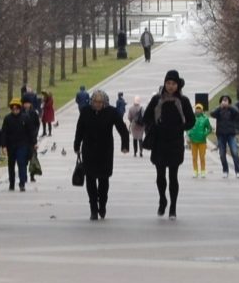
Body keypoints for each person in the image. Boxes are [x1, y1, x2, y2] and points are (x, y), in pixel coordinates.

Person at [142, 71, 196, 217]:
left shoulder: (183, 101)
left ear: (177, 85)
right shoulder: (156, 99)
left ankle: (173, 206)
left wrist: (180, 128)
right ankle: (162, 200)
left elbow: (191, 121)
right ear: (164, 84)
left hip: (175, 143)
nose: (170, 86)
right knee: (160, 176)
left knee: (173, 176)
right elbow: (146, 117)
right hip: (159, 142)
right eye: (168, 83)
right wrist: (153, 127)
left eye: (173, 84)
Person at [73, 89, 129, 220]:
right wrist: (76, 145)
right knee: (91, 180)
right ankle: (93, 207)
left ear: (105, 102)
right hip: (89, 150)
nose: (97, 104)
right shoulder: (86, 111)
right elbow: (79, 129)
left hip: (105, 151)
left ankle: (102, 204)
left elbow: (122, 129)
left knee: (104, 181)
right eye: (95, 101)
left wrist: (125, 145)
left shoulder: (111, 112)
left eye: (100, 102)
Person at [0, 99, 36, 190]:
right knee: (11, 165)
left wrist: (33, 143)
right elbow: (4, 133)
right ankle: (11, 183)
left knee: (22, 163)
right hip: (11, 145)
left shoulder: (25, 118)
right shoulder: (7, 118)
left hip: (22, 144)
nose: (15, 110)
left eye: (17, 108)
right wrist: (3, 146)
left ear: (20, 108)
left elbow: (30, 132)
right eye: (13, 108)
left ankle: (22, 183)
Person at [211, 95, 239, 175]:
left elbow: (237, 112)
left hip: (231, 134)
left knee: (234, 152)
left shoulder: (232, 110)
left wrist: (229, 107)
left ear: (229, 102)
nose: (224, 102)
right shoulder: (219, 110)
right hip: (221, 134)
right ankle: (225, 170)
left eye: (226, 100)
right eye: (223, 100)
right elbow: (212, 113)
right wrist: (219, 107)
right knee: (222, 154)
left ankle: (237, 171)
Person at [186, 96, 212, 177]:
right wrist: (189, 134)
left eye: (199, 109)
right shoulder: (191, 118)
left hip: (202, 141)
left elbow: (210, 129)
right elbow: (188, 127)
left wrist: (205, 134)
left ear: (202, 110)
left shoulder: (205, 119)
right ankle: (195, 171)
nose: (197, 110)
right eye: (196, 108)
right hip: (193, 141)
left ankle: (203, 171)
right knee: (194, 157)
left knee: (202, 157)